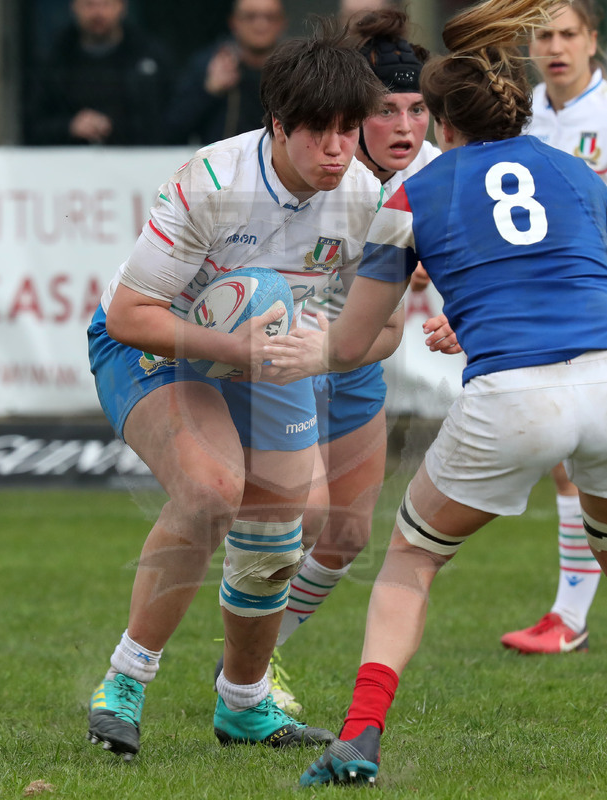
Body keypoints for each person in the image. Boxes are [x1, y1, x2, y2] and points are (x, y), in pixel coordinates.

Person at [262, 0, 607, 785]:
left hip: (515, 399)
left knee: (411, 559)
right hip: (605, 377)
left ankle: (356, 738)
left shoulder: (411, 196)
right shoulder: (577, 171)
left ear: (442, 124)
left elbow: (350, 344)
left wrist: (287, 352)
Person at [85, 22, 388, 760]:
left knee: (295, 516)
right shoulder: (214, 183)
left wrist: (321, 349)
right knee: (212, 488)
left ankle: (244, 703)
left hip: (269, 352)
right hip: (163, 344)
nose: (337, 151)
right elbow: (129, 315)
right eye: (317, 133)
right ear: (277, 126)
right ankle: (124, 682)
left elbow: (383, 332)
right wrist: (235, 346)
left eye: (349, 132)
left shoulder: (363, 195)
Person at [264, 7, 441, 717]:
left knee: (345, 534)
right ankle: (233, 667)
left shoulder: (429, 173)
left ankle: (255, 651)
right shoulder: (319, 160)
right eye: (384, 110)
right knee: (300, 516)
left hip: (355, 354)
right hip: (283, 350)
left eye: (417, 108)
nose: (403, 126)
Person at [500, 0, 607, 655]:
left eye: (568, 33)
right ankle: (566, 615)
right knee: (572, 460)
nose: (556, 45)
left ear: (591, 39)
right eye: (543, 35)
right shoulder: (518, 119)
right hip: (554, 305)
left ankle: (568, 615)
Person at [25, 0, 174, 146]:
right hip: (69, 161)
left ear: (122, 7)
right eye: (89, 5)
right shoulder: (54, 60)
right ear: (74, 7)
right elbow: (31, 126)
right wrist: (69, 126)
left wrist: (116, 127)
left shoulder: (150, 58)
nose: (98, 13)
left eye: (106, 4)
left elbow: (169, 122)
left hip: (140, 160)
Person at [166, 0, 286, 146]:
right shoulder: (208, 64)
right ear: (233, 22)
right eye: (250, 16)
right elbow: (172, 131)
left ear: (282, 23)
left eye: (270, 17)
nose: (260, 25)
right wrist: (210, 90)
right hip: (219, 164)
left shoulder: (295, 70)